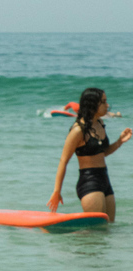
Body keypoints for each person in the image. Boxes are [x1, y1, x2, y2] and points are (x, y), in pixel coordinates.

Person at [48, 88, 131, 222]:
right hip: (89, 181)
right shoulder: (78, 130)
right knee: (96, 231)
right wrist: (57, 191)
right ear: (93, 104)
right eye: (103, 102)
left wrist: (120, 141)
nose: (107, 105)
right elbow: (63, 161)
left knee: (108, 227)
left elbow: (101, 153)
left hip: (105, 179)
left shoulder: (100, 123)